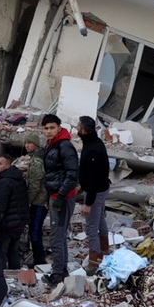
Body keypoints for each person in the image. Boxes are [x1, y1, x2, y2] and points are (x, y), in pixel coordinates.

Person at [42, 113, 80, 284]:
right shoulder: (53, 144)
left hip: (62, 197)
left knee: (57, 235)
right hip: (55, 194)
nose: (49, 131)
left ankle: (58, 274)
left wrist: (60, 197)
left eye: (52, 128)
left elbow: (72, 174)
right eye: (46, 128)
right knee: (59, 234)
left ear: (58, 128)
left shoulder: (65, 146)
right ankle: (60, 270)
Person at [76, 115, 111, 273]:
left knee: (91, 227)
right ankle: (104, 250)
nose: (77, 129)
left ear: (83, 130)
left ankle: (94, 262)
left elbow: (93, 177)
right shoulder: (93, 143)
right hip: (101, 188)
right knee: (100, 219)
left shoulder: (92, 148)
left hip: (96, 192)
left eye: (78, 127)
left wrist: (87, 203)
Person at [0, 153, 29, 269]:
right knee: (13, 251)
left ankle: (2, 278)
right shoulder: (17, 178)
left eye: (0, 163)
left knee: (1, 252)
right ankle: (14, 277)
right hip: (18, 223)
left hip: (7, 224)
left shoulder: (4, 181)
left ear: (7, 166)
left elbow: (0, 206)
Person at [23, 132, 49, 267]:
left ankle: (40, 261)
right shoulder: (36, 158)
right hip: (38, 200)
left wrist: (28, 200)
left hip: (39, 202)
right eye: (26, 143)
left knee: (35, 232)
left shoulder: (37, 162)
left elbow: (35, 185)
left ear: (36, 145)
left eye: (30, 143)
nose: (27, 145)